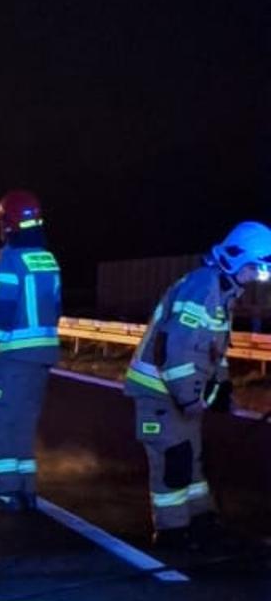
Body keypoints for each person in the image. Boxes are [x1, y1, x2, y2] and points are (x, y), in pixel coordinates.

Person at [122, 221, 271, 548]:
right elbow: (176, 351)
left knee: (191, 457)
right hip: (159, 392)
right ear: (237, 258)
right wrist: (190, 399)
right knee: (173, 461)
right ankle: (172, 532)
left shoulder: (221, 291)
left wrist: (222, 387)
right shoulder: (203, 288)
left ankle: (200, 519)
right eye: (255, 268)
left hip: (176, 393)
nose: (257, 277)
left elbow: (213, 350)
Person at [0, 190, 62, 513]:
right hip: (44, 355)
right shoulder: (47, 258)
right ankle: (26, 492)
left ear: (7, 224)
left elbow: (4, 312)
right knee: (23, 423)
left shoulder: (9, 260)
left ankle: (6, 495)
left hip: (15, 356)